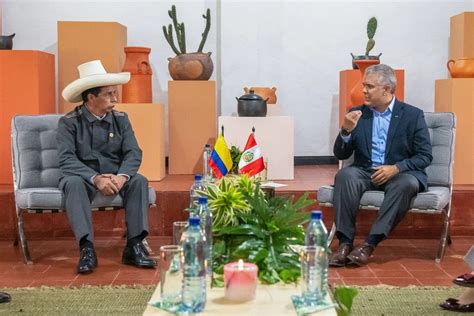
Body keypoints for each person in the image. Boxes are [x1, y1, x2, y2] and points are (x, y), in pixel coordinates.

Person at [58, 60, 156, 274]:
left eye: (115, 93)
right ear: (91, 97)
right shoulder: (69, 122)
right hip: (82, 178)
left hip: (115, 177)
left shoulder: (121, 119)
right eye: (109, 94)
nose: (115, 98)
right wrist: (96, 178)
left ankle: (135, 245)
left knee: (138, 180)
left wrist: (122, 177)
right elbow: (66, 159)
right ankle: (86, 249)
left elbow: (133, 152)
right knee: (72, 183)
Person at [329, 64, 433, 267]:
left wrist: (396, 168)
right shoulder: (358, 114)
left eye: (369, 86)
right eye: (364, 86)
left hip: (400, 173)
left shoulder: (412, 115)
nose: (364, 91)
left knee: (406, 184)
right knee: (345, 176)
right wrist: (346, 131)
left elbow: (425, 156)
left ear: (387, 90)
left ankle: (369, 244)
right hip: (365, 171)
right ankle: (344, 243)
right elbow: (341, 154)